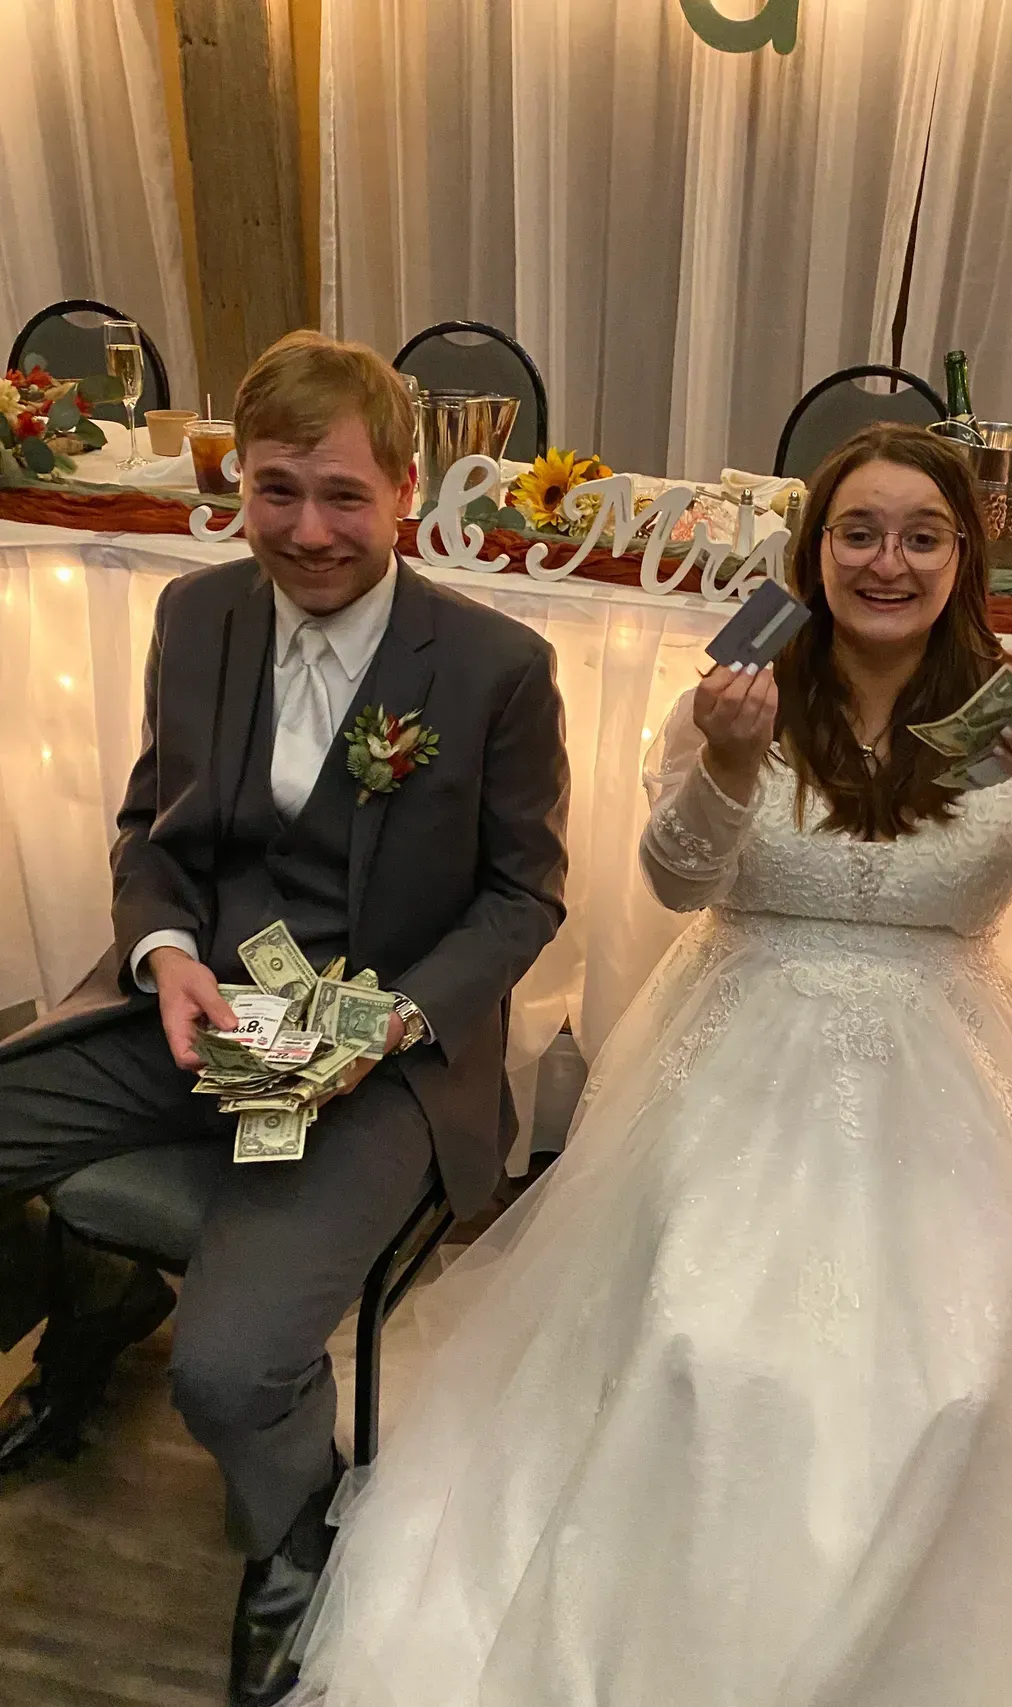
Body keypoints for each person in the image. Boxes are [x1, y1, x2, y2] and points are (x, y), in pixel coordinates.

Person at [284, 425, 1012, 1706]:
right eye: (858, 531)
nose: (887, 560)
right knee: (700, 1334)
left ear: (960, 559)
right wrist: (731, 765)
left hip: (947, 1071)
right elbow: (672, 879)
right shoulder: (742, 685)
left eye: (921, 535)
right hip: (736, 1044)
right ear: (813, 553)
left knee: (957, 1369)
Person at [0, 331, 570, 1706]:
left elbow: (523, 898)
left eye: (342, 495)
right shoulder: (196, 619)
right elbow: (153, 824)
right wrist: (162, 950)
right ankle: (84, 1296)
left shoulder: (497, 666)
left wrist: (384, 1024)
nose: (309, 532)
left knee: (237, 1365)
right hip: (195, 1010)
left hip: (377, 1064)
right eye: (276, 491)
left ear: (405, 492)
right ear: (236, 487)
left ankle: (295, 1531)